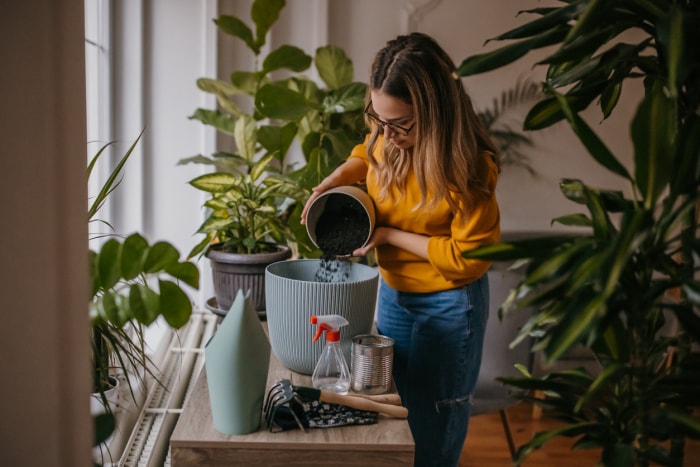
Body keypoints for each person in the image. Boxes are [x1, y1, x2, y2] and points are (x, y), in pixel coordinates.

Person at [301, 32, 500, 467]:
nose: (386, 134)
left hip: (449, 306)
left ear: (434, 114)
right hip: (394, 297)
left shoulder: (470, 169)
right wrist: (340, 175)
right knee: (391, 420)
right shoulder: (387, 133)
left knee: (432, 433)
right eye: (378, 118)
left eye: (399, 125)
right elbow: (368, 152)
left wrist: (389, 237)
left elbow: (468, 257)